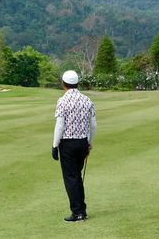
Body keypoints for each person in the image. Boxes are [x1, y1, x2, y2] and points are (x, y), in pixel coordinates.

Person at [51, 70, 97, 222]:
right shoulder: (87, 100)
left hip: (68, 144)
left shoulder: (62, 101)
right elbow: (93, 125)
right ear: (77, 83)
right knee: (76, 176)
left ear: (63, 84)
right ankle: (81, 210)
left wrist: (54, 145)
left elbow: (60, 125)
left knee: (71, 178)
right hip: (82, 142)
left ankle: (77, 213)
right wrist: (89, 142)